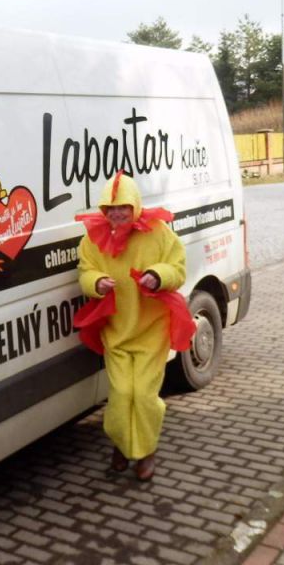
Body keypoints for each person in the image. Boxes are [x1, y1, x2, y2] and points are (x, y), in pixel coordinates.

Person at [74, 171, 194, 481]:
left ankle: (145, 452)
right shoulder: (92, 238)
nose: (117, 213)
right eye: (111, 208)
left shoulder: (159, 232)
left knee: (143, 395)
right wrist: (96, 282)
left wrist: (158, 275)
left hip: (151, 331)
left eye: (123, 207)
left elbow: (177, 268)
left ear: (135, 205)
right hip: (117, 332)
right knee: (120, 394)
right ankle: (121, 444)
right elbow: (85, 271)